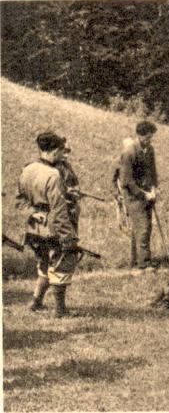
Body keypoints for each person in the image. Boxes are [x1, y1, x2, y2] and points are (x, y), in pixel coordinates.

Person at [17, 132, 79, 318]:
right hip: (53, 229)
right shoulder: (53, 174)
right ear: (53, 151)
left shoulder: (28, 169)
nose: (63, 155)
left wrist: (34, 212)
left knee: (44, 261)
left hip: (34, 228)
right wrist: (68, 238)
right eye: (61, 151)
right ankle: (60, 310)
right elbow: (59, 211)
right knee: (62, 262)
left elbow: (20, 201)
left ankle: (36, 301)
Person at [118, 120, 158, 273]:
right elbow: (126, 181)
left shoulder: (150, 149)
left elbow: (153, 172)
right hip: (134, 197)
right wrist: (143, 194)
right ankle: (144, 265)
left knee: (142, 228)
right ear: (139, 136)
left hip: (148, 195)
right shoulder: (129, 152)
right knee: (143, 228)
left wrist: (154, 189)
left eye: (151, 137)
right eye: (147, 137)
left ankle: (136, 262)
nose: (149, 140)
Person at [55, 142, 80, 232]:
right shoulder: (54, 167)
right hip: (61, 202)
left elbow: (75, 180)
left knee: (73, 226)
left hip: (72, 202)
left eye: (68, 152)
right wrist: (67, 190)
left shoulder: (68, 166)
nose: (66, 155)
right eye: (64, 152)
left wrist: (77, 190)